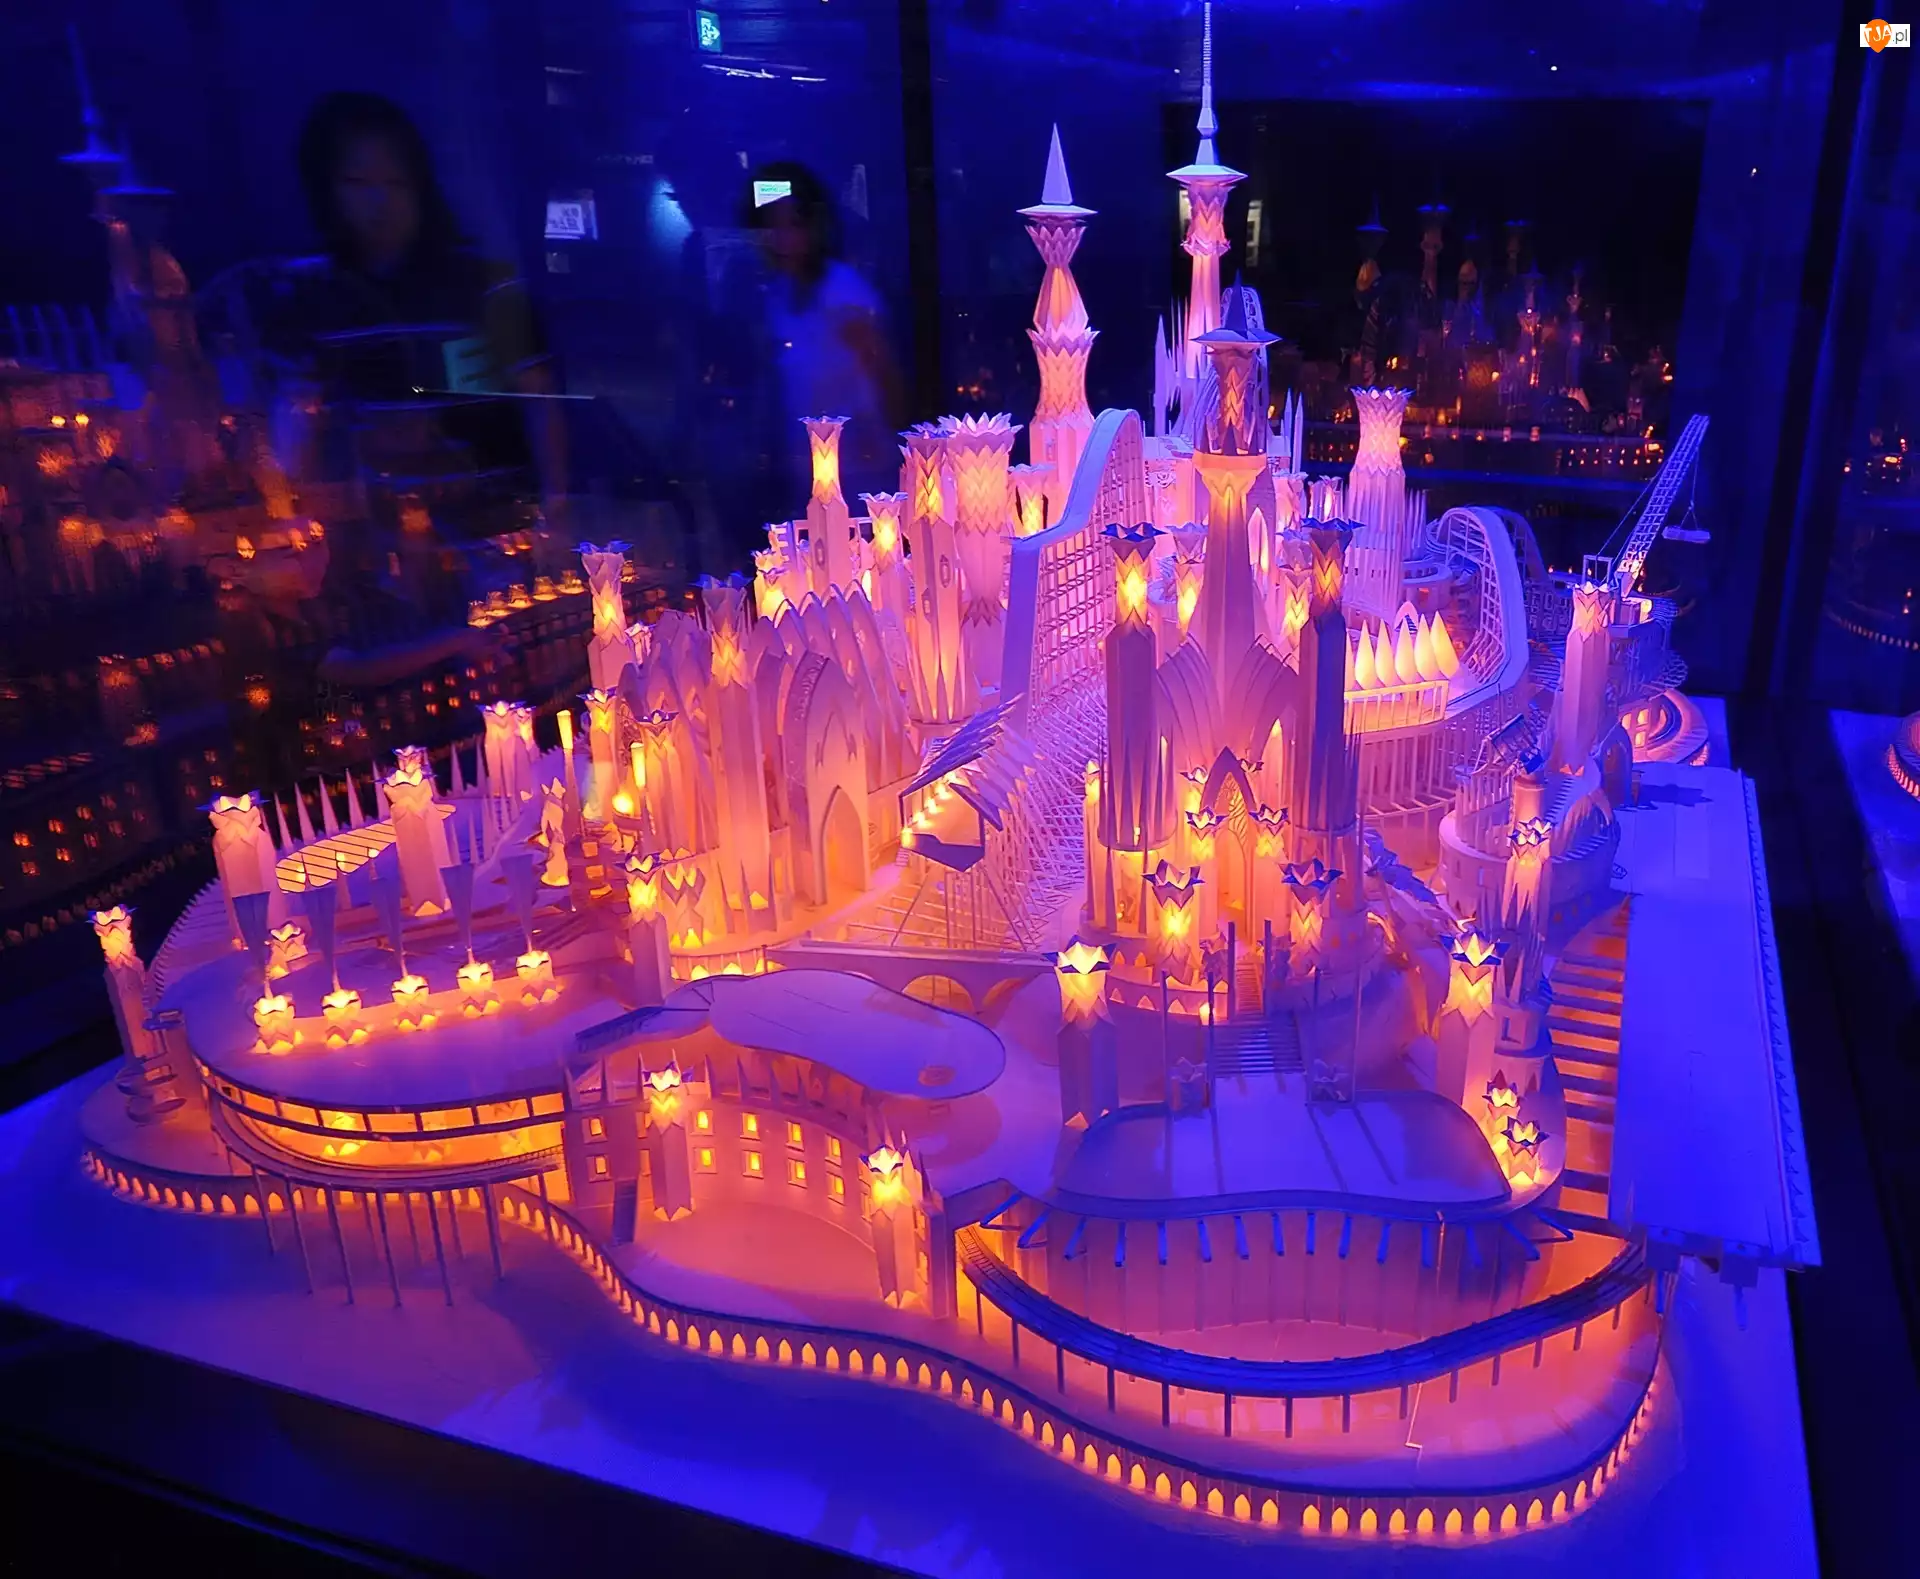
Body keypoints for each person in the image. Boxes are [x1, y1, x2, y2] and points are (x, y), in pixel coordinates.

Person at [279, 91, 570, 527]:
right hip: (373, 530)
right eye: (357, 183)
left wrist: (556, 503)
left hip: (499, 528)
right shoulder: (309, 293)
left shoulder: (487, 284)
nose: (379, 201)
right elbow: (297, 418)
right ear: (326, 189)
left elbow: (540, 399)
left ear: (421, 186)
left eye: (396, 182)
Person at [744, 162, 902, 508]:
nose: (779, 238)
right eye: (771, 226)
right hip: (807, 466)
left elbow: (882, 371)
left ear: (814, 228)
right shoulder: (780, 293)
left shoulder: (842, 290)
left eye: (792, 225)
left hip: (861, 469)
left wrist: (884, 438)